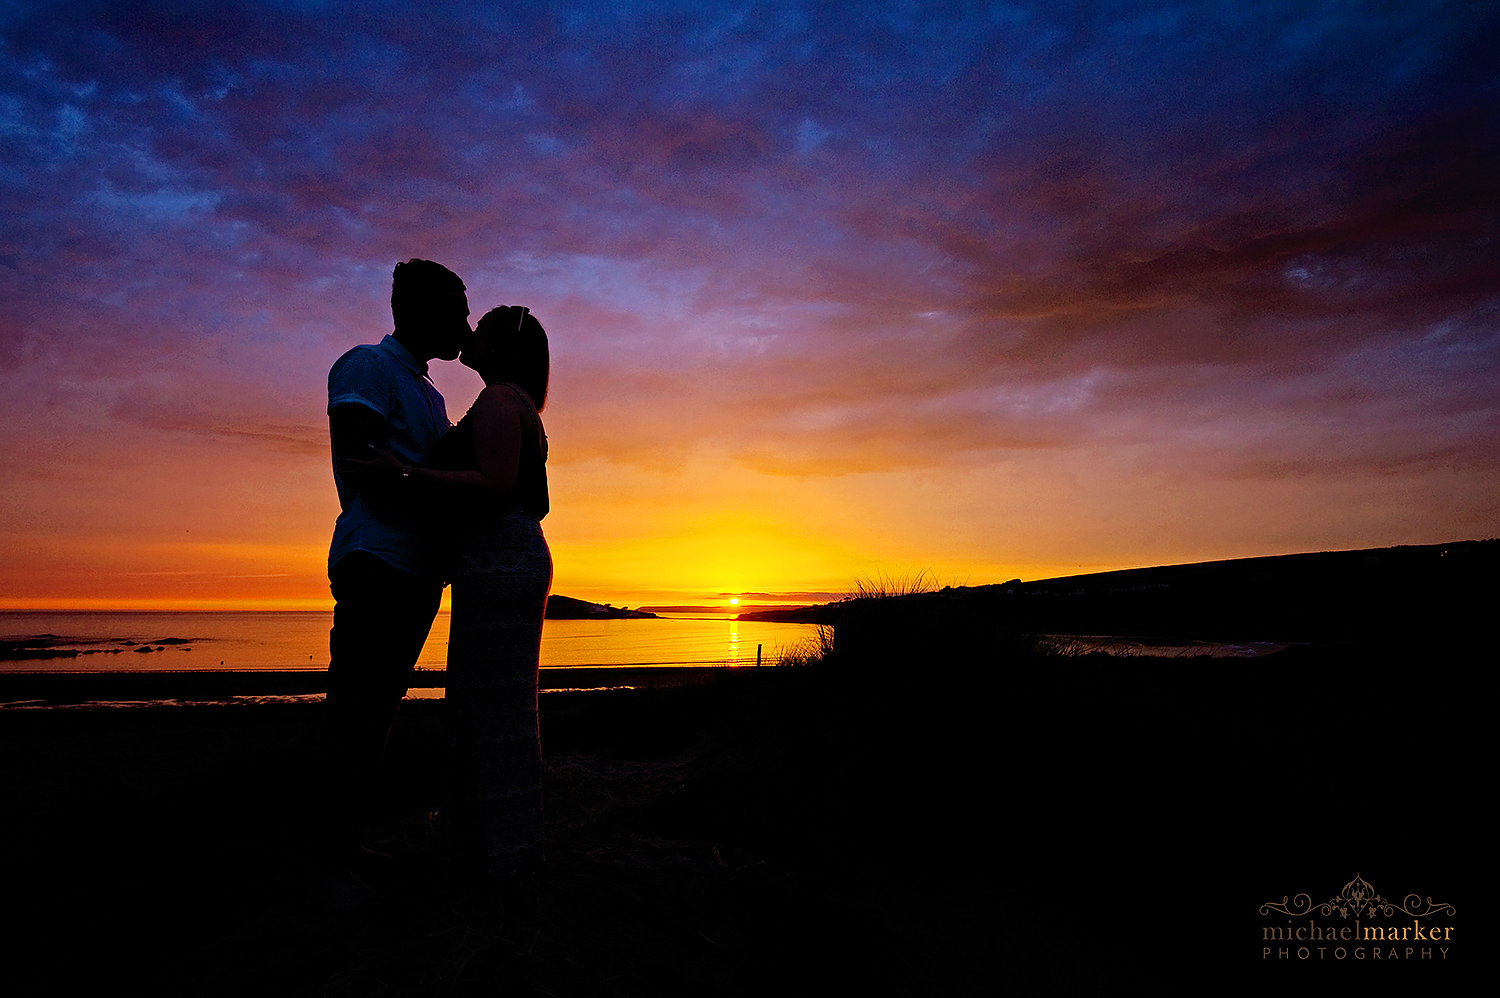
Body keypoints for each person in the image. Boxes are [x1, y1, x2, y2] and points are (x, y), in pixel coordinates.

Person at [344, 304, 552, 878]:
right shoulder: (517, 402)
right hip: (498, 557)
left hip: (499, 557)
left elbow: (494, 483)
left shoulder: (499, 400)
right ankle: (494, 842)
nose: (469, 334)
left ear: (501, 346)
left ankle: (500, 850)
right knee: (492, 704)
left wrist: (400, 473)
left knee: (491, 706)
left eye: (480, 328)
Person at [322, 258, 470, 874]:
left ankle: (342, 842)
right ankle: (327, 850)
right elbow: (362, 463)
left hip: (415, 572)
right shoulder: (367, 365)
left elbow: (417, 474)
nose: (465, 322)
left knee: (380, 710)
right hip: (375, 560)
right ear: (421, 310)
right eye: (456, 309)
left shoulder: (430, 394)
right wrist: (430, 480)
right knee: (355, 708)